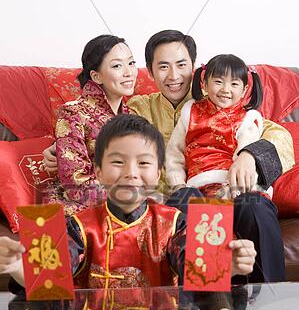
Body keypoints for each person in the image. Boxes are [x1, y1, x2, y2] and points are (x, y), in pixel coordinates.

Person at [43, 30, 293, 282]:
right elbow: (99, 138)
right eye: (163, 67)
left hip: (229, 190)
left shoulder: (221, 98)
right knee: (187, 199)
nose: (174, 76)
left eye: (181, 65)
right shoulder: (137, 108)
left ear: (195, 69)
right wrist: (59, 149)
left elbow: (279, 135)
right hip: (171, 200)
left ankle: (271, 306)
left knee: (257, 206)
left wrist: (250, 155)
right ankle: (202, 298)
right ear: (150, 72)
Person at [0, 114, 256, 310]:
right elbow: (54, 268)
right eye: (118, 162)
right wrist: (20, 268)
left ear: (159, 174)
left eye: (143, 163)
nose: (131, 173)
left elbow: (193, 258)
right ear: (98, 172)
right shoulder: (77, 225)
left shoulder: (178, 223)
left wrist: (223, 266)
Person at [43, 34, 137, 215]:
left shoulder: (132, 116)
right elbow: (75, 181)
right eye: (117, 65)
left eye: (131, 63)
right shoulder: (72, 113)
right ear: (96, 76)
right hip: (83, 205)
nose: (128, 72)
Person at [166, 54, 277, 199]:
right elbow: (174, 153)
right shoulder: (189, 112)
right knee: (183, 201)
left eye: (234, 84)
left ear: (244, 90)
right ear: (204, 84)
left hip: (232, 185)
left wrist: (232, 187)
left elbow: (245, 156)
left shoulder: (247, 119)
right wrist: (178, 184)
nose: (225, 89)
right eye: (218, 82)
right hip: (197, 185)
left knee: (249, 203)